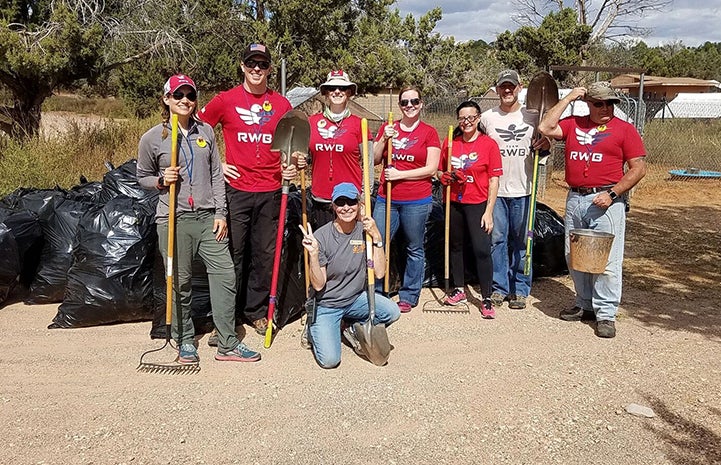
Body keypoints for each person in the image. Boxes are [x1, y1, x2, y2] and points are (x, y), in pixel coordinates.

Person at [137, 74, 261, 364]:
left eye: (190, 96)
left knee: (225, 275)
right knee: (179, 282)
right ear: (166, 99)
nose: (185, 101)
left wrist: (221, 212)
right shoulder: (153, 138)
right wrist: (159, 180)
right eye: (178, 95)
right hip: (173, 219)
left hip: (208, 218)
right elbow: (141, 176)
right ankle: (184, 340)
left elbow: (217, 174)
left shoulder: (205, 131)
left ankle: (228, 342)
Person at [198, 43, 299, 336]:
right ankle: (227, 317)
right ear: (242, 66)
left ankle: (255, 312)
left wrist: (290, 164)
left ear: (269, 69)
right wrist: (217, 163)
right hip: (237, 191)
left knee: (265, 255)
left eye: (262, 64)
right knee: (232, 254)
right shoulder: (225, 100)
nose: (256, 69)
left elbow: (291, 146)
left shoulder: (281, 105)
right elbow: (198, 130)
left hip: (270, 190)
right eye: (251, 63)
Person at [538, 81, 646, 338]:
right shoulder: (575, 123)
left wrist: (613, 193)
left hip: (606, 200)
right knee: (574, 255)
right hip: (576, 198)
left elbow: (638, 168)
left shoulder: (624, 130)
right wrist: (569, 97)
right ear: (588, 104)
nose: (606, 108)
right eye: (599, 103)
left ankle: (606, 313)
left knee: (606, 260)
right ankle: (584, 304)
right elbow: (545, 127)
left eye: (610, 103)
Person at [300, 182, 401, 368]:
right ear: (333, 206)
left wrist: (377, 237)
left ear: (359, 204)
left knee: (392, 312)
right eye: (340, 203)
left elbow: (379, 272)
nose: (346, 208)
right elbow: (319, 285)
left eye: (351, 202)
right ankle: (313, 325)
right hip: (327, 304)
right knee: (330, 361)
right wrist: (313, 255)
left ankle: (351, 326)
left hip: (355, 299)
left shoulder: (366, 232)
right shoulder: (322, 237)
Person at [481, 69, 550, 310]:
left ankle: (520, 288)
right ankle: (499, 287)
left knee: (523, 241)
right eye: (503, 86)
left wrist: (546, 143)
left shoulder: (533, 116)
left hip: (524, 189)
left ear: (520, 87)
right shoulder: (487, 118)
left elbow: (546, 143)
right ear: (497, 89)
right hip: (496, 191)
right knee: (497, 241)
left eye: (511, 86)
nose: (507, 90)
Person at [372, 86, 441, 313]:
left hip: (417, 200)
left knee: (414, 247)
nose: (409, 106)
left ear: (421, 104)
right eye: (405, 102)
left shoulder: (429, 132)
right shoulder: (388, 127)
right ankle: (377, 291)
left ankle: (409, 294)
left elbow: (431, 169)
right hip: (386, 199)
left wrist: (400, 174)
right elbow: (373, 158)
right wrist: (383, 139)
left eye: (414, 101)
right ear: (399, 106)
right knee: (378, 243)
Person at [438, 101, 503, 318]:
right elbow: (439, 171)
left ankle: (486, 297)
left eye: (471, 118)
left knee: (481, 249)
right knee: (455, 246)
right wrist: (443, 177)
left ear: (478, 119)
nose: (466, 122)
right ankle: (459, 288)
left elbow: (494, 180)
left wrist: (489, 211)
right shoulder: (450, 142)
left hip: (477, 203)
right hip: (454, 202)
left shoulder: (489, 145)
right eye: (462, 118)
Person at [307, 70, 371, 228]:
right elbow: (300, 155)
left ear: (349, 93)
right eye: (332, 88)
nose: (337, 91)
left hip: (349, 201)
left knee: (350, 249)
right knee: (324, 248)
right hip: (321, 197)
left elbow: (368, 163)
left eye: (342, 88)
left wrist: (364, 197)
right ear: (326, 93)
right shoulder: (311, 122)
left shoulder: (359, 124)